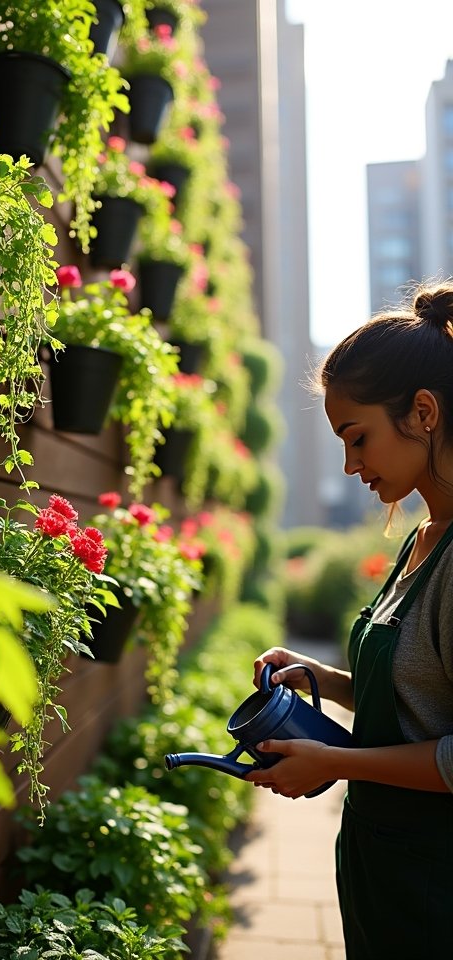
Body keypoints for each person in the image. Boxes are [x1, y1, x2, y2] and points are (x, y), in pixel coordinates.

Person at [248, 282, 453, 960]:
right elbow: (418, 689)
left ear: (423, 412)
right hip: (379, 866)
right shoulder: (421, 538)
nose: (349, 464)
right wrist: (325, 679)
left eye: (357, 436)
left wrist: (334, 761)